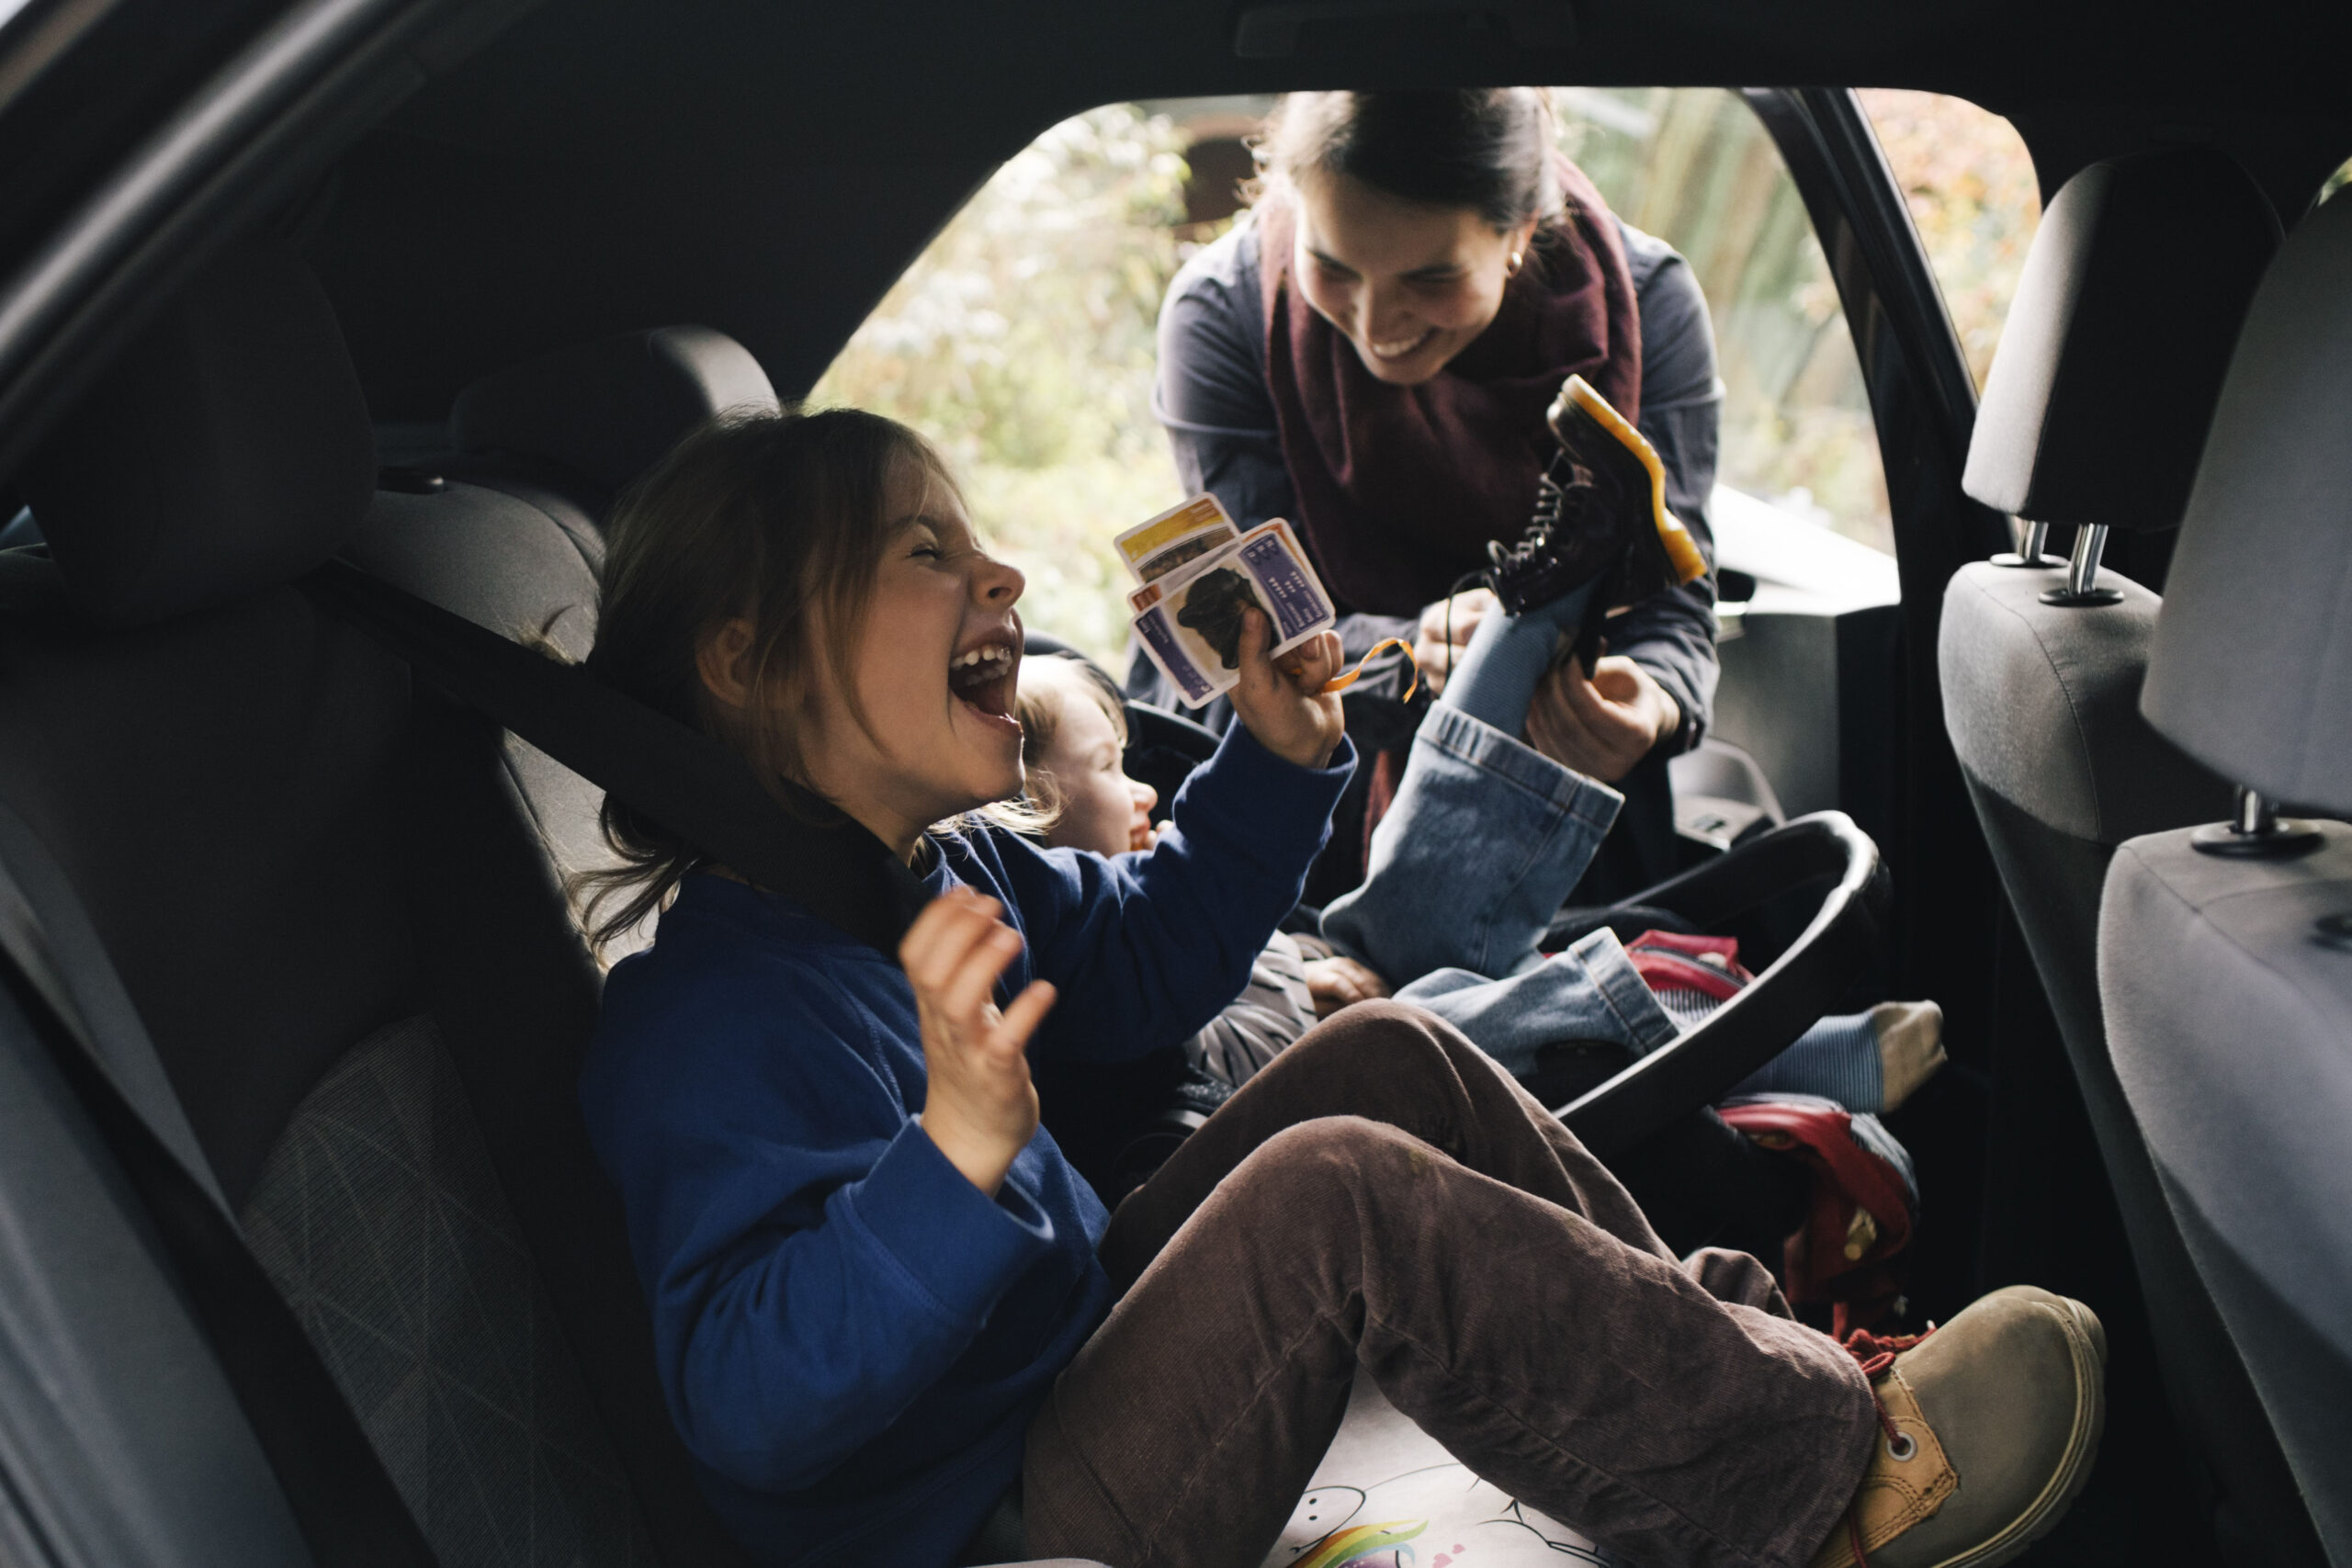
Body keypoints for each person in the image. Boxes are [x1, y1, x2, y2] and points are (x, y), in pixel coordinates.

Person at [575, 406, 2105, 1568]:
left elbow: (1161, 955)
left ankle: (1753, 1380)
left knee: (1392, 1052)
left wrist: (1277, 759)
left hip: (1055, 1363)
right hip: (990, 1514)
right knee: (1339, 1192)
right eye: (925, 552)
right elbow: (746, 1401)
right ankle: (1819, 1497)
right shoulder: (702, 1025)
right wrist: (950, 1159)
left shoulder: (941, 878)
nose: (1003, 573)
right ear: (753, 659)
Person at [1142, 88, 1723, 893]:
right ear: (1289, 198)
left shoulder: (1649, 303)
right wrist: (1410, 652)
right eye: (1334, 266)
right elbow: (1240, 634)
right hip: (1304, 802)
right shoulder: (1227, 315)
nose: (1378, 323)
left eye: (1432, 276)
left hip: (1561, 815)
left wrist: (1648, 704)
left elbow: (1672, 604)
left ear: (1520, 233)